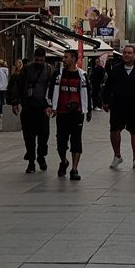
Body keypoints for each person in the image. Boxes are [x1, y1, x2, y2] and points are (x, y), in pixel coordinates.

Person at [49, 49, 92, 180]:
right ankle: (64, 161)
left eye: (66, 57)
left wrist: (88, 110)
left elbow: (87, 93)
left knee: (76, 140)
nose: (64, 59)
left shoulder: (82, 75)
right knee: (61, 141)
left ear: (74, 59)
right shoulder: (58, 74)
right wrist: (50, 106)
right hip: (62, 112)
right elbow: (50, 90)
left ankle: (74, 169)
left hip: (77, 113)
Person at [12, 46, 53, 173]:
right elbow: (18, 85)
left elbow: (53, 88)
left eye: (41, 60)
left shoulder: (49, 69)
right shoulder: (27, 69)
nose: (39, 62)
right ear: (34, 58)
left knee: (44, 135)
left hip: (43, 108)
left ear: (44, 59)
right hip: (28, 107)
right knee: (28, 136)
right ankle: (31, 161)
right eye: (37, 60)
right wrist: (14, 102)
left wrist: (52, 106)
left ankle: (41, 156)